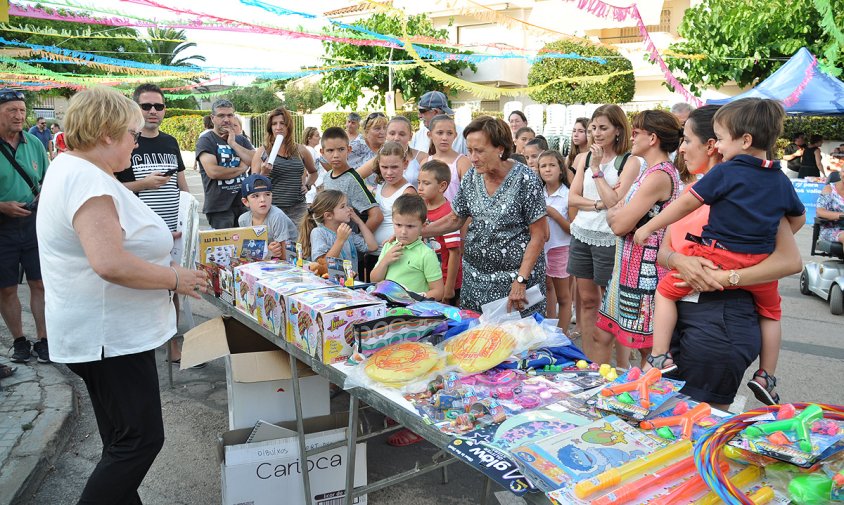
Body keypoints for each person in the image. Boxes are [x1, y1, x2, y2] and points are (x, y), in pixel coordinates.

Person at [35, 86, 207, 504]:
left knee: (122, 441)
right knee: (139, 442)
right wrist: (174, 278)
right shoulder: (86, 179)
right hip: (108, 336)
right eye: (132, 133)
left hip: (103, 333)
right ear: (107, 134)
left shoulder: (78, 170)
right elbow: (109, 262)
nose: (137, 140)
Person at [635, 98, 805, 405]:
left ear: (714, 144)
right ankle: (766, 374)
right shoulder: (697, 190)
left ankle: (663, 356)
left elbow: (791, 259)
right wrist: (681, 261)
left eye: (687, 140)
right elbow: (665, 251)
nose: (681, 149)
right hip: (687, 316)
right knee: (666, 417)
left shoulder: (750, 192)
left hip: (719, 324)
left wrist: (729, 275)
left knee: (700, 420)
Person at [423, 116, 548, 315]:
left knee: (515, 342)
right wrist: (420, 230)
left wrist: (521, 280)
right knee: (476, 340)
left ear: (500, 148)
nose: (472, 158)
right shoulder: (472, 176)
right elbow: (456, 218)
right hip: (475, 281)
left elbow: (540, 235)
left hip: (515, 286)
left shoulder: (526, 179)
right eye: (470, 150)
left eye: (479, 151)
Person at [595, 110, 686, 368]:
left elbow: (619, 222)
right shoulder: (650, 171)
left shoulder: (658, 176)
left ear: (653, 138)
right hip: (628, 266)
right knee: (604, 334)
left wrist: (617, 214)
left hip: (644, 274)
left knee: (648, 350)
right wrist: (618, 214)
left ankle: (646, 399)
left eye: (636, 133)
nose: (631, 138)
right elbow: (619, 215)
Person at [116, 83, 191, 364]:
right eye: (146, 106)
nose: (152, 111)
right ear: (136, 108)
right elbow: (116, 187)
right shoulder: (128, 141)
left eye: (158, 106)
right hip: (141, 231)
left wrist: (188, 215)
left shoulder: (170, 142)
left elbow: (182, 184)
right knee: (144, 287)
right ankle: (142, 344)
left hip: (174, 227)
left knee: (172, 287)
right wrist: (145, 184)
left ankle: (173, 344)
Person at [566, 104, 640, 361]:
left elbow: (615, 200)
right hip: (582, 234)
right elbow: (573, 199)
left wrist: (597, 170)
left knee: (613, 307)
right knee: (587, 301)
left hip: (611, 239)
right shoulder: (581, 158)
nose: (596, 133)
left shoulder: (630, 162)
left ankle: (619, 365)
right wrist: (598, 203)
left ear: (618, 130)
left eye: (603, 128)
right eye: (592, 128)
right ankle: (588, 361)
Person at [0, 89, 50, 369]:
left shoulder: (33, 143)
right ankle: (19, 340)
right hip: (2, 226)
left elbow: (47, 179)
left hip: (33, 222)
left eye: (22, 110)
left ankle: (43, 339)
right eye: (12, 110)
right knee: (6, 288)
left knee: (39, 283)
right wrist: (2, 206)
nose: (19, 116)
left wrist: (44, 196)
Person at [251, 107, 317, 226]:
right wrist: (264, 173)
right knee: (276, 244)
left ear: (289, 126)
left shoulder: (300, 150)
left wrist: (308, 185)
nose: (278, 127)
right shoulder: (263, 151)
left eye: (282, 123)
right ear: (270, 128)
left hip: (298, 208)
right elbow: (252, 185)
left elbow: (313, 172)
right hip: (272, 209)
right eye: (274, 124)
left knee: (299, 243)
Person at [196, 99, 255, 229]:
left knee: (246, 247)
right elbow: (213, 172)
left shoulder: (240, 139)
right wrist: (241, 169)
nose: (226, 119)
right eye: (221, 115)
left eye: (230, 115)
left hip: (244, 203)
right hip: (219, 208)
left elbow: (255, 161)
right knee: (226, 248)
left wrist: (233, 143)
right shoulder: (206, 140)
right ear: (213, 118)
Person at [371, 194, 444, 299]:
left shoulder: (426, 254)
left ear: (423, 226)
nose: (403, 232)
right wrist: (385, 261)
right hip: (388, 307)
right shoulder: (389, 246)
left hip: (412, 312)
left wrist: (415, 298)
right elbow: (374, 280)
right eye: (398, 225)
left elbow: (438, 291)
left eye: (410, 226)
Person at [319, 127, 384, 235]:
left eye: (341, 149)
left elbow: (376, 216)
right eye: (330, 150)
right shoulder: (327, 177)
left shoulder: (352, 180)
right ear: (322, 152)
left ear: (349, 150)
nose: (336, 155)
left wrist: (359, 242)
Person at [418, 160, 462, 304]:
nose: (420, 187)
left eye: (426, 183)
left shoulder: (448, 213)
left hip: (445, 281)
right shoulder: (420, 208)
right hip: (428, 279)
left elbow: (454, 253)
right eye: (419, 182)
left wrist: (449, 289)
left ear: (442, 186)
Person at [300, 190, 378, 270]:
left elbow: (372, 247)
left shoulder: (347, 232)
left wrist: (359, 221)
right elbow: (323, 265)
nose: (349, 209)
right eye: (343, 206)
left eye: (347, 205)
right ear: (329, 215)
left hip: (350, 282)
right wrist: (340, 240)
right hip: (331, 282)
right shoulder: (318, 232)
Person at [538, 150, 573, 330]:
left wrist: (554, 214)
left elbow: (572, 228)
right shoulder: (537, 193)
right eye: (543, 166)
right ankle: (550, 330)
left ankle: (564, 334)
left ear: (561, 169)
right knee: (547, 290)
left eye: (552, 165)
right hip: (541, 249)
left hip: (561, 248)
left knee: (564, 296)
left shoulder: (568, 195)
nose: (547, 169)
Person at [238, 174, 297, 259]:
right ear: (245, 202)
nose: (263, 199)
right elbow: (248, 255)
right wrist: (267, 252)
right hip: (267, 260)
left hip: (293, 260)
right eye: (255, 196)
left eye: (267, 194)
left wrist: (265, 253)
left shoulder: (277, 216)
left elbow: (286, 256)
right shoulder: (243, 220)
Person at [372, 141, 417, 246]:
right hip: (374, 251)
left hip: (395, 252)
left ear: (405, 164)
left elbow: (412, 225)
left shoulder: (408, 192)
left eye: (394, 167)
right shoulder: (381, 185)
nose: (389, 173)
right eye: (384, 167)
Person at [427, 115, 471, 202]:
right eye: (440, 133)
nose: (444, 138)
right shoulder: (425, 162)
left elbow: (469, 196)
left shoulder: (463, 162)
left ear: (455, 136)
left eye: (449, 133)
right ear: (430, 135)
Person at [410, 91, 467, 155]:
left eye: (422, 111)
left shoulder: (462, 136)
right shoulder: (418, 136)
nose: (419, 116)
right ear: (430, 135)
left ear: (435, 112)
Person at [816, 170, 844, 244]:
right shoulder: (830, 189)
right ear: (840, 173)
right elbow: (820, 212)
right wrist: (841, 215)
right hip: (832, 228)